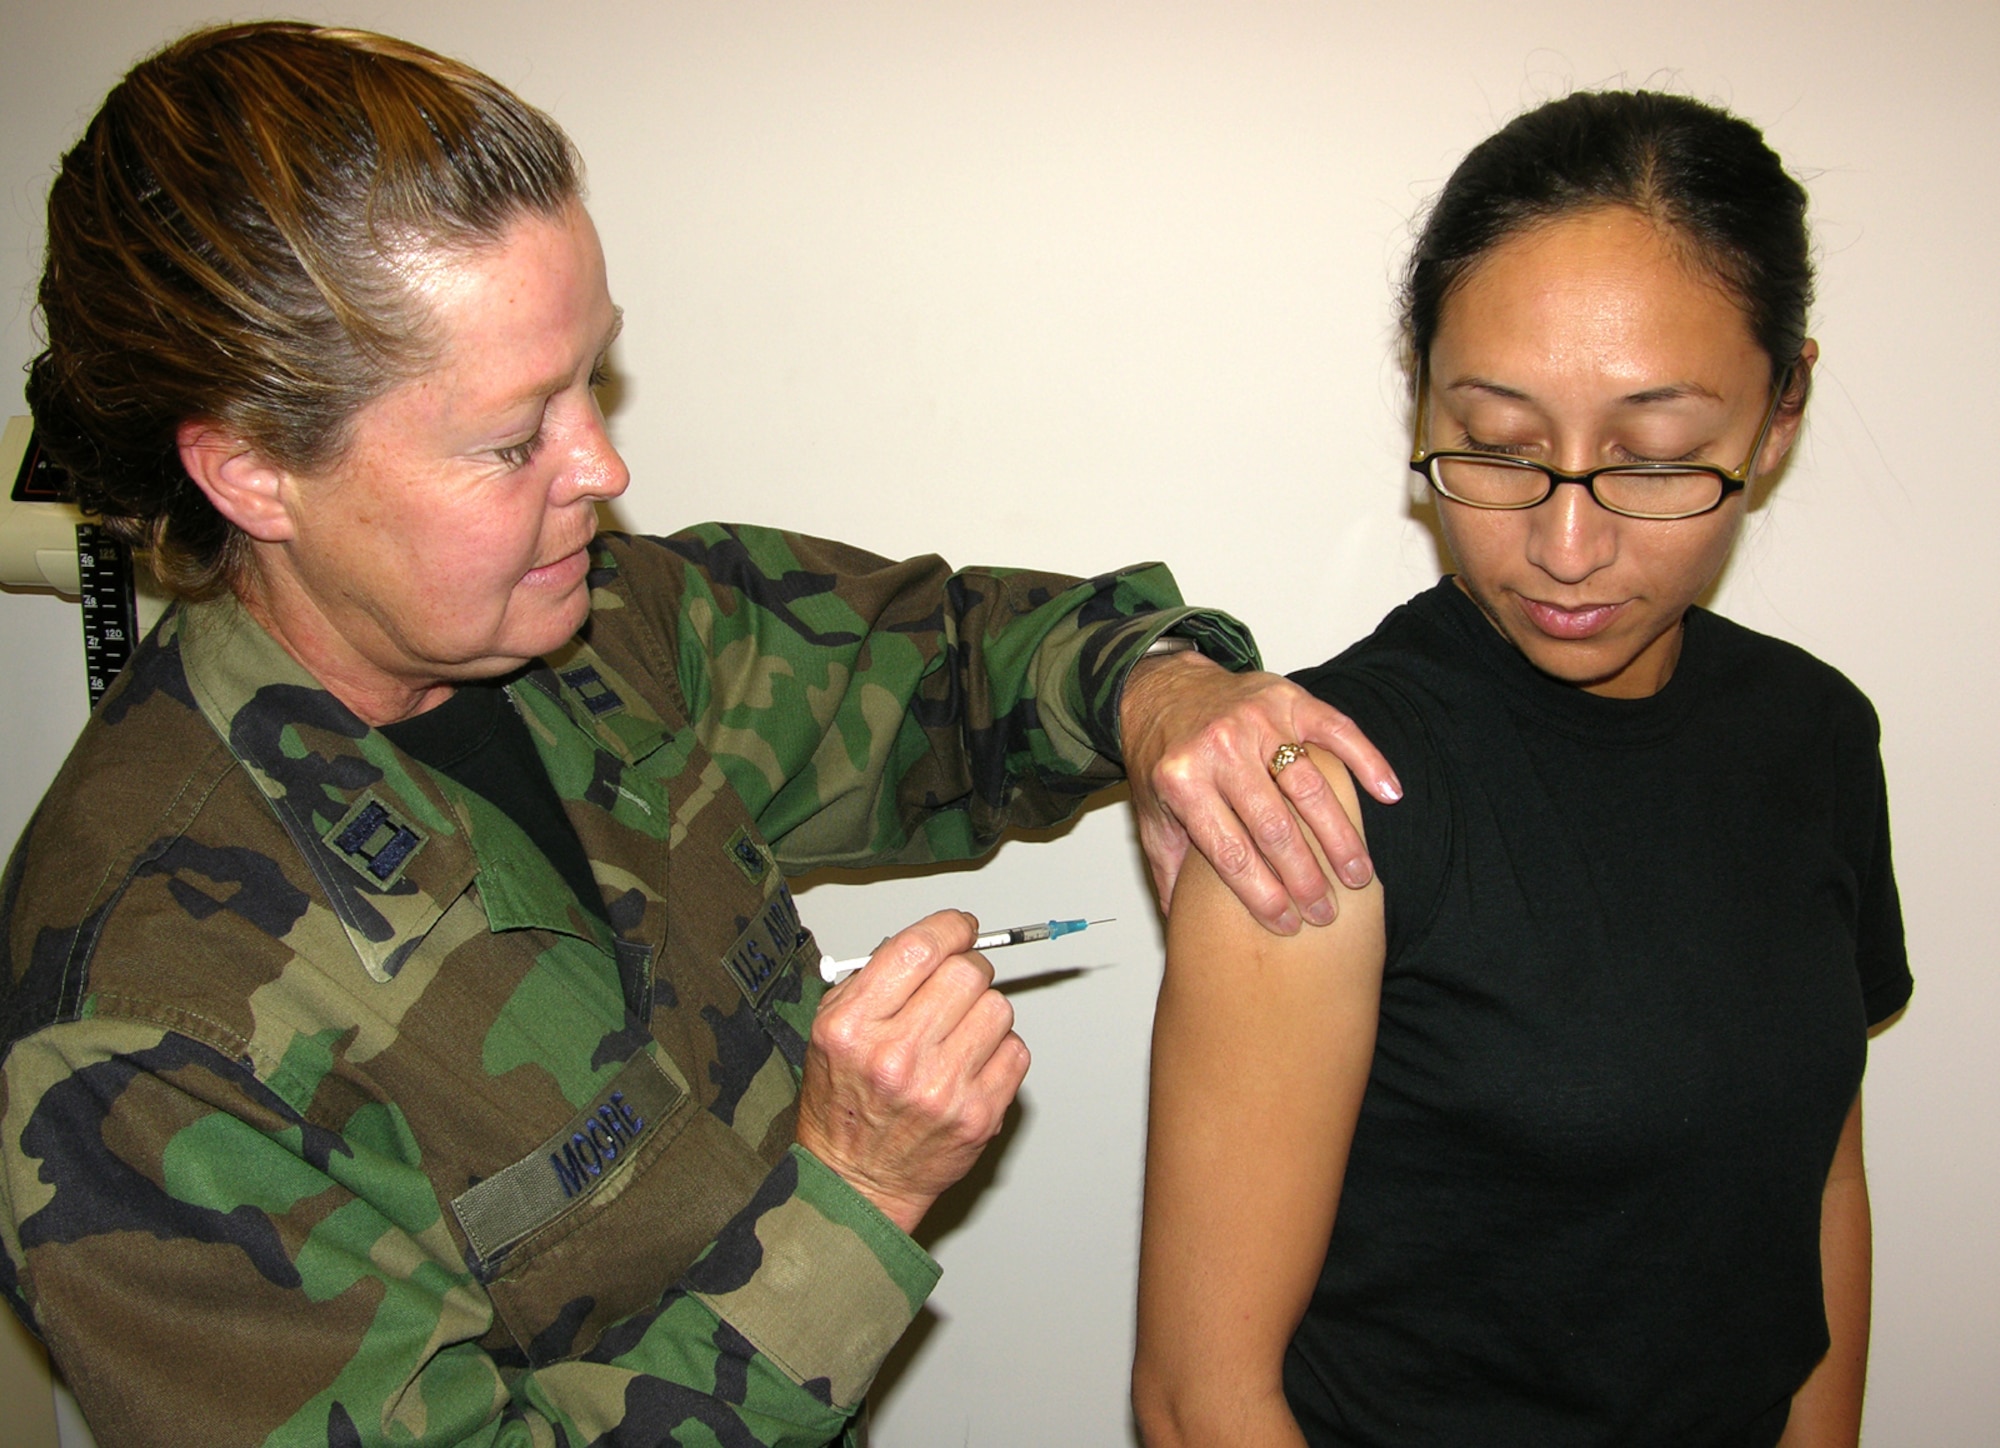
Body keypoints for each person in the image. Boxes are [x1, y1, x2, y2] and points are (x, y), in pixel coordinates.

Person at [0, 23, 1402, 1448]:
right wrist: (853, 1200)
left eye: (590, 380)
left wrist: (1159, 692)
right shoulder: (145, 1028)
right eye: (512, 440)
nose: (603, 467)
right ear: (252, 470)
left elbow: (946, 665)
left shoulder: (596, 631)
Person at [1133, 90, 1910, 1448]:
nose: (1564, 547)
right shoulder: (1320, 796)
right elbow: (1205, 1402)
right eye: (1495, 446)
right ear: (1422, 397)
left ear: (1778, 414)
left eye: (1655, 460)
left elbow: (1817, 1176)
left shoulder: (1818, 735)